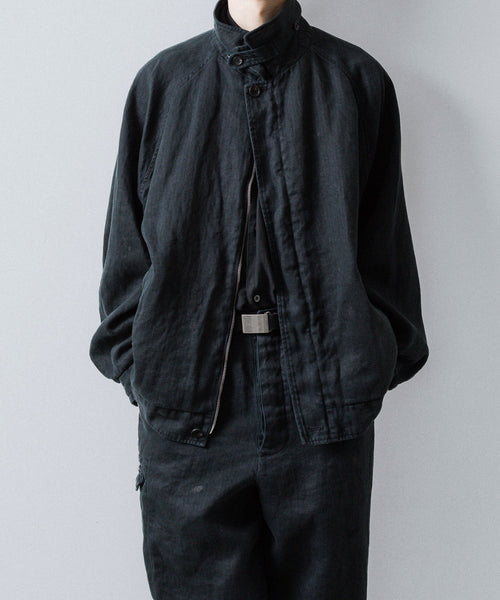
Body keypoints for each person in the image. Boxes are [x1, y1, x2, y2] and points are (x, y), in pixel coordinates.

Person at [89, 0, 429, 598]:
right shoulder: (163, 83)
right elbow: (125, 260)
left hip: (325, 415)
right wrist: (147, 371)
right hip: (190, 418)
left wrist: (363, 364)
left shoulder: (357, 80)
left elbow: (387, 256)